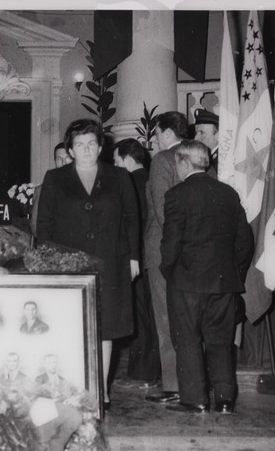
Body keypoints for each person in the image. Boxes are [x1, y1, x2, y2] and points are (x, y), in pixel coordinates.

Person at [37, 118, 140, 411]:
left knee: (105, 328)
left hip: (111, 262)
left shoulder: (120, 177)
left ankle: (100, 389)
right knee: (71, 327)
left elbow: (132, 219)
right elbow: (44, 224)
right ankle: (75, 387)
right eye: (79, 144)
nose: (86, 149)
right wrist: (47, 260)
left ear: (100, 146)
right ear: (70, 149)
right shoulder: (55, 179)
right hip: (67, 265)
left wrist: (133, 257)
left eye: (91, 144)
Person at [160, 140, 254, 413]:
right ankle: (225, 400)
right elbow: (244, 241)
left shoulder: (177, 195)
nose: (176, 168)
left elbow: (170, 244)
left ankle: (195, 399)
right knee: (221, 342)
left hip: (187, 281)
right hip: (223, 282)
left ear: (185, 163)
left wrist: (170, 270)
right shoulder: (228, 193)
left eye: (177, 162)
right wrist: (233, 272)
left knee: (187, 339)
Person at [144, 111, 188, 406]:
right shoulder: (196, 155)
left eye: (157, 133)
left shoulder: (162, 160)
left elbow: (162, 208)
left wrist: (172, 249)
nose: (155, 139)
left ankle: (173, 386)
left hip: (164, 249)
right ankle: (190, 381)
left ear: (168, 133)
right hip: (191, 250)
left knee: (165, 318)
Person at [113, 138, 161, 386]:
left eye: (116, 160)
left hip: (135, 259)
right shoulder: (150, 179)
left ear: (127, 160)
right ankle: (147, 371)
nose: (115, 165)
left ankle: (144, 373)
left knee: (141, 316)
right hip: (148, 258)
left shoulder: (130, 182)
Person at [193, 107, 219, 176]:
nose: (196, 138)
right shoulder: (209, 157)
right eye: (196, 133)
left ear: (218, 135)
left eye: (202, 133)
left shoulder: (222, 160)